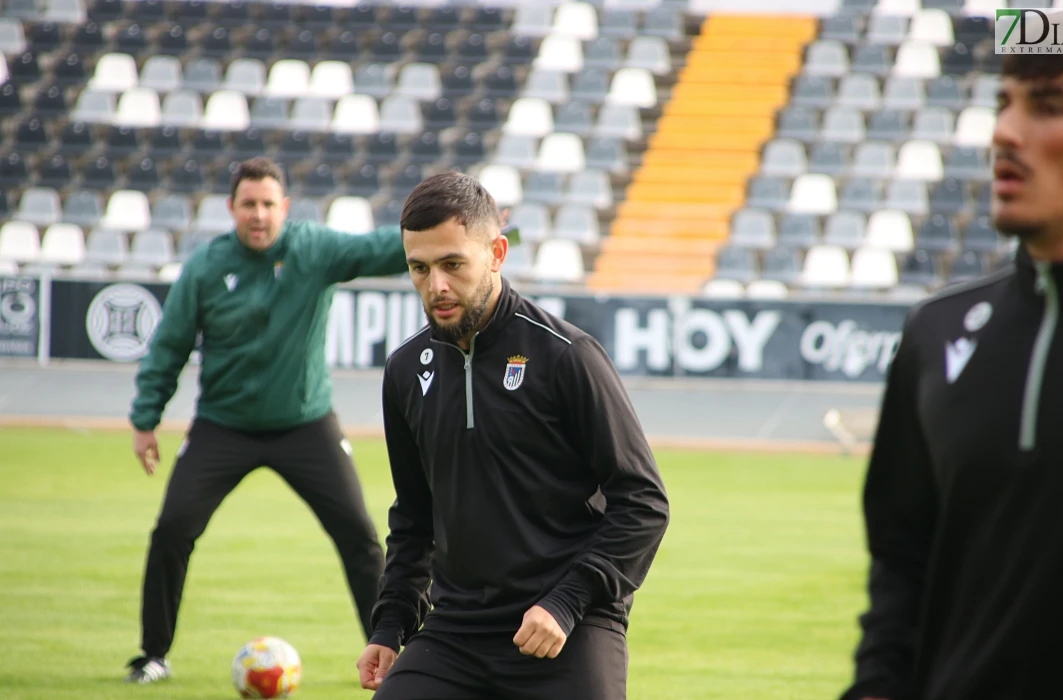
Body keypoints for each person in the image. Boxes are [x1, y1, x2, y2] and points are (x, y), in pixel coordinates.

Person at [841, 14, 1063, 700]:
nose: (1006, 133)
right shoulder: (936, 332)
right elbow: (901, 562)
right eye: (1003, 103)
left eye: (1049, 106)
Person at [354, 172, 670, 700]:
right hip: (455, 630)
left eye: (453, 264)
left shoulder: (567, 356)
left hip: (567, 624)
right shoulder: (406, 370)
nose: (436, 286)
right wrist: (390, 626)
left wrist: (567, 601)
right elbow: (414, 518)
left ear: (496, 253)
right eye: (420, 268)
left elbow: (643, 502)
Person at [124, 157, 409, 684]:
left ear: (285, 207)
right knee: (171, 530)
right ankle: (153, 656)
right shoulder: (206, 267)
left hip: (306, 424)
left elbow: (384, 248)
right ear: (231, 208)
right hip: (222, 426)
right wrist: (146, 419)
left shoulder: (314, 249)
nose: (258, 215)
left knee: (361, 536)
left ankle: (396, 656)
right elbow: (169, 347)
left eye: (268, 204)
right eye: (248, 204)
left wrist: (463, 232)